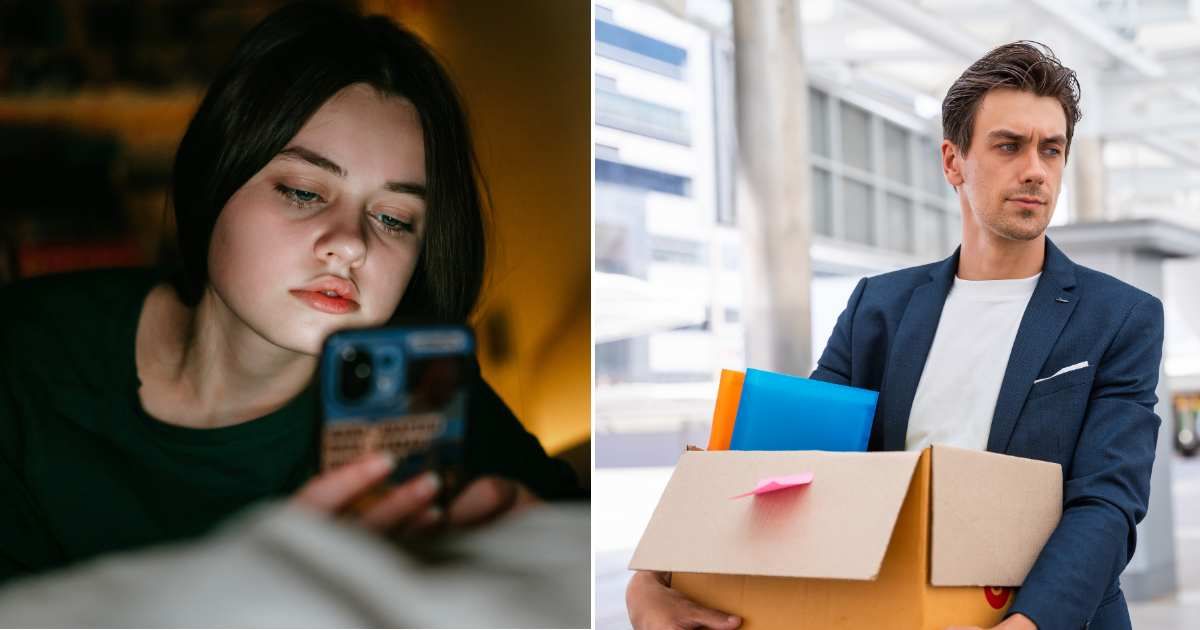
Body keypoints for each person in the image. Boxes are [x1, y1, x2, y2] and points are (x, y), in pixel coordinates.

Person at [0, 2, 581, 584]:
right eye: (304, 192)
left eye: (396, 219)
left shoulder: (425, 400)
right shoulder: (24, 354)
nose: (351, 244)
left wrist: (539, 564)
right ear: (216, 173)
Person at [627, 42, 1161, 630]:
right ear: (953, 162)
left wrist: (1027, 625)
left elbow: (1107, 502)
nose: (1035, 168)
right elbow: (788, 468)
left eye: (1051, 149)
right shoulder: (878, 309)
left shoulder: (1119, 318)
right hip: (898, 612)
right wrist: (650, 581)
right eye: (1008, 146)